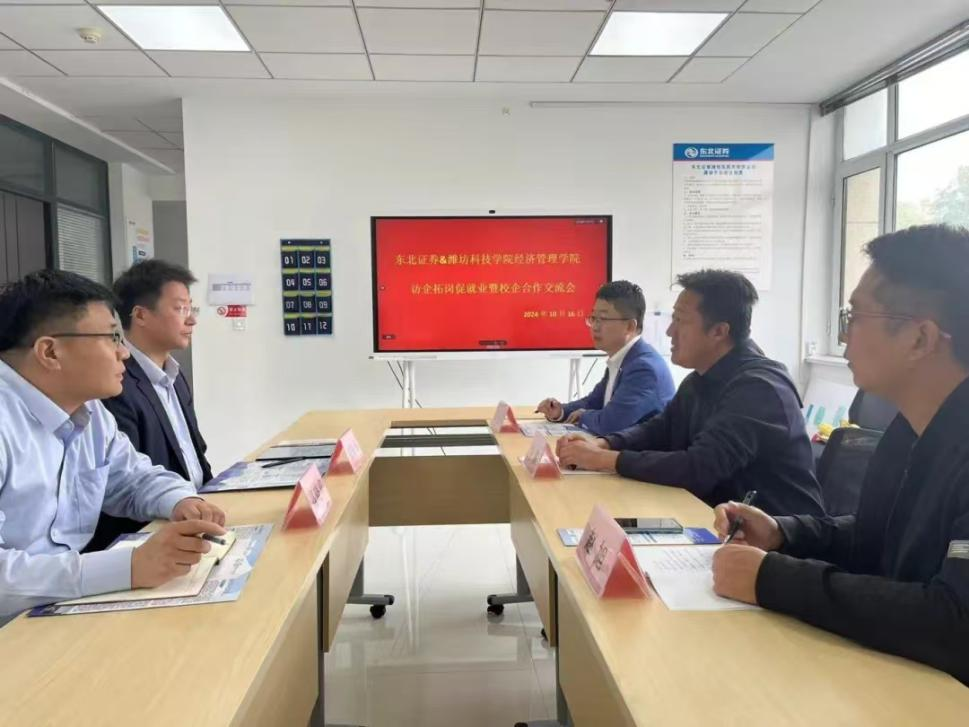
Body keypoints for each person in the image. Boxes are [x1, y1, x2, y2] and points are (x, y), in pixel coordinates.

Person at [711, 224, 969, 684]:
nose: (845, 336)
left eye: (855, 318)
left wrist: (772, 579)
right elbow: (879, 537)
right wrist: (783, 534)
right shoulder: (908, 430)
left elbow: (953, 622)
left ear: (920, 339)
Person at [0, 270, 226, 624]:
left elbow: (133, 478)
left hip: (56, 612)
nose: (124, 353)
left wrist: (182, 501)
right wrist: (128, 567)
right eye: (112, 337)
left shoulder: (89, 412)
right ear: (50, 351)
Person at [557, 269, 823, 517]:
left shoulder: (759, 388)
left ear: (719, 331)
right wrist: (605, 444)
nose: (669, 332)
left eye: (680, 321)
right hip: (711, 517)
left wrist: (606, 460)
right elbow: (660, 429)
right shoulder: (700, 379)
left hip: (772, 538)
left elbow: (699, 468)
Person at [87, 260, 212, 552]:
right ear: (141, 315)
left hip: (190, 511)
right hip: (149, 536)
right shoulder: (114, 384)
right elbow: (124, 484)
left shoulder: (174, 375)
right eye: (180, 309)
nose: (191, 320)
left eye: (191, 309)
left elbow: (196, 456)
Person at [535, 280, 674, 436]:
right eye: (593, 318)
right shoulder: (622, 358)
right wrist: (560, 411)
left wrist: (583, 416)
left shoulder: (643, 368)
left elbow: (611, 424)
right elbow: (594, 402)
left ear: (630, 326)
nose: (594, 326)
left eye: (602, 319)